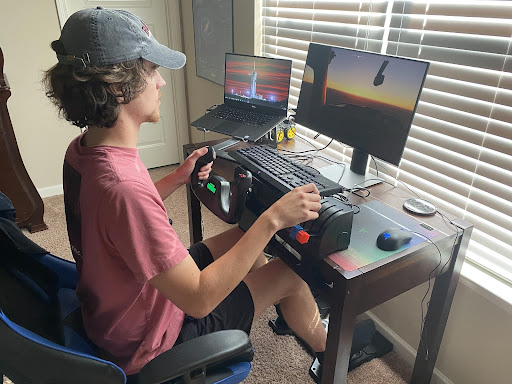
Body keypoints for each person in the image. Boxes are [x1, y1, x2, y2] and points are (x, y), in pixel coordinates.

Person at [43, 6, 327, 377]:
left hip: (120, 307)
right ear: (118, 86)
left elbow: (117, 220)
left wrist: (178, 177)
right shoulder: (123, 185)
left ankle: (290, 311)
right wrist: (273, 219)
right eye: (152, 71)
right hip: (156, 338)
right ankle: (333, 352)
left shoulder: (84, 151)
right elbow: (198, 299)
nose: (160, 83)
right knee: (289, 271)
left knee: (248, 238)